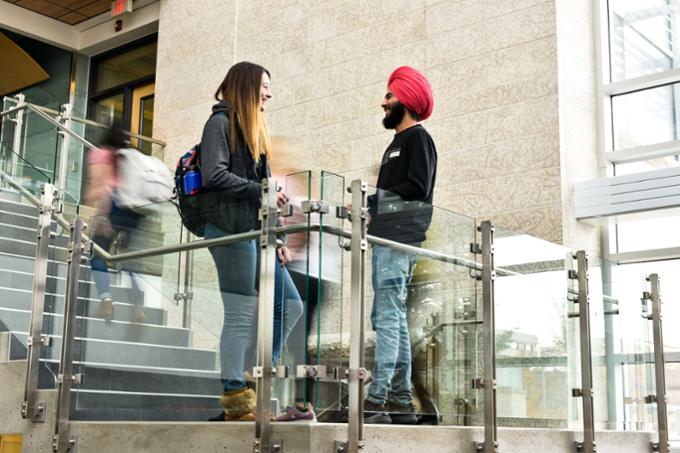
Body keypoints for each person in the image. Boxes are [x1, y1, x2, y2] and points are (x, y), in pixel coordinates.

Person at [200, 61, 304, 421]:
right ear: (245, 86)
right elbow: (214, 174)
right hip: (229, 231)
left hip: (256, 234)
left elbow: (266, 194)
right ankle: (235, 396)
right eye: (263, 85)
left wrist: (275, 237)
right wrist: (260, 188)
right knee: (241, 313)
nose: (269, 93)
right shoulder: (220, 123)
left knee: (290, 305)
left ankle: (252, 379)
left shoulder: (254, 132)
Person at [363, 66, 437, 424]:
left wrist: (374, 201)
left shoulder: (418, 139)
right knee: (390, 318)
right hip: (385, 241)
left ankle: (377, 399)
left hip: (399, 242)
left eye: (389, 96)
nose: (383, 102)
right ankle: (400, 400)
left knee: (389, 318)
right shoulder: (395, 143)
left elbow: (418, 188)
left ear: (405, 100)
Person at [85, 124, 146, 324]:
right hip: (134, 211)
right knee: (129, 260)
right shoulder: (129, 156)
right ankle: (137, 310)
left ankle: (106, 302)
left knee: (96, 253)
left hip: (114, 207)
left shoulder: (101, 154)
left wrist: (101, 214)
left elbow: (101, 187)